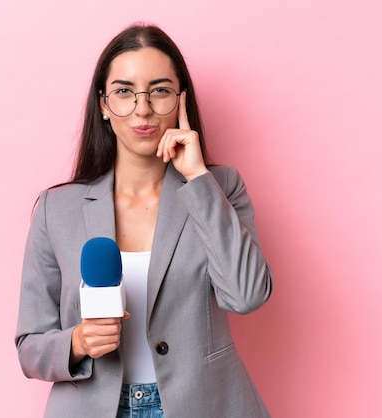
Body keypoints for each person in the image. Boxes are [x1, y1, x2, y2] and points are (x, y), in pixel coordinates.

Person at [15, 23, 273, 418]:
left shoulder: (220, 187)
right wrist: (79, 342)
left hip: (203, 405)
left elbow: (247, 295)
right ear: (103, 104)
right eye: (123, 91)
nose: (143, 108)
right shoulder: (57, 209)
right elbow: (29, 347)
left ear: (180, 99)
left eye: (160, 90)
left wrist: (198, 178)